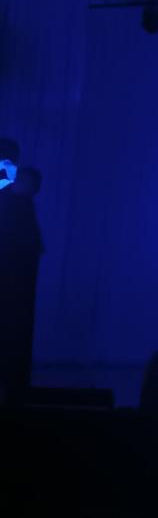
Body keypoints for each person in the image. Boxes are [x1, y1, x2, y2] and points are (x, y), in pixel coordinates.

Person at [0, 138, 43, 404]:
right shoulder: (13, 194)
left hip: (16, 268)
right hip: (16, 266)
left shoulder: (15, 196)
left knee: (13, 324)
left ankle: (12, 384)